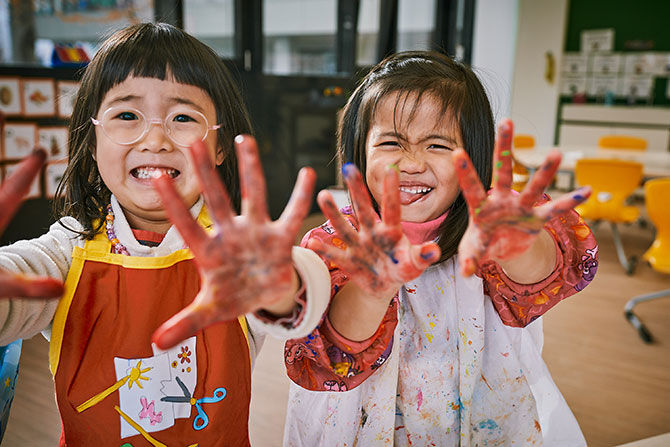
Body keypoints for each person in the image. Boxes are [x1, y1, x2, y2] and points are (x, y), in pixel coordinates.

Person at [0, 23, 330, 446]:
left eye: (183, 118)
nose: (155, 138)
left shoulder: (233, 252)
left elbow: (307, 299)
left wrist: (282, 284)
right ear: (93, 135)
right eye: (126, 115)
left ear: (221, 146)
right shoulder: (67, 249)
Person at [284, 51, 598, 446]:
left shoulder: (490, 227)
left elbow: (541, 279)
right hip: (366, 427)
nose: (412, 163)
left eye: (437, 145)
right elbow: (333, 351)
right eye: (391, 142)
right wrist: (373, 286)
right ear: (360, 152)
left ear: (476, 154)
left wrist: (516, 247)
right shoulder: (340, 244)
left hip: (487, 418)